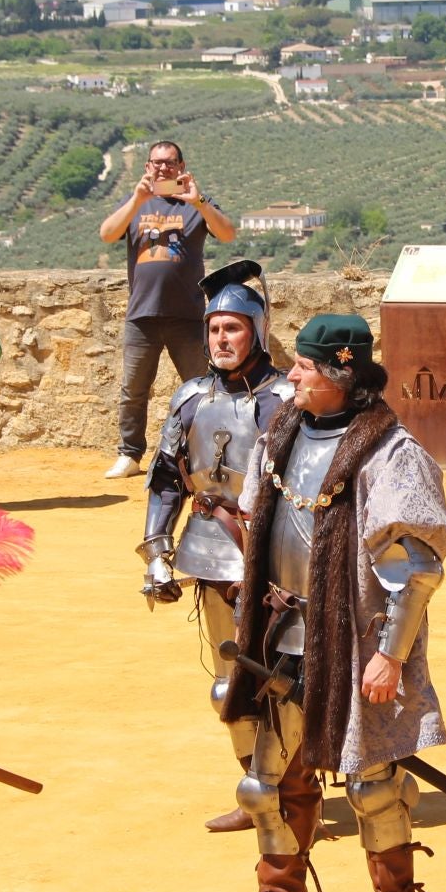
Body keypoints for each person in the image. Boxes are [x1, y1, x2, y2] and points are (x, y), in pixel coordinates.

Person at [196, 315, 446, 892]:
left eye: (305, 366)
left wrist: (389, 655)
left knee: (373, 786)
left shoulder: (389, 452)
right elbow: (257, 519)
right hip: (281, 634)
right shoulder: (282, 433)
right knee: (267, 783)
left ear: (340, 373)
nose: (290, 375)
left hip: (356, 643)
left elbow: (417, 570)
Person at [136, 261, 290, 833]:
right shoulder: (190, 398)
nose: (222, 339)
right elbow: (166, 479)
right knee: (229, 682)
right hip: (209, 546)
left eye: (234, 328)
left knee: (284, 680)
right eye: (214, 329)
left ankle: (292, 792)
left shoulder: (286, 397)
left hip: (276, 555)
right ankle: (257, 792)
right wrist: (157, 554)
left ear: (257, 331)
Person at [97, 139, 236, 480]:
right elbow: (107, 234)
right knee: (133, 390)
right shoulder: (135, 203)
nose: (162, 168)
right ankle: (129, 454)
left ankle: (205, 451)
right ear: (147, 166)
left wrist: (198, 201)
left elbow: (227, 233)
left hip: (187, 315)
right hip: (141, 315)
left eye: (169, 162)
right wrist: (137, 199)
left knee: (201, 388)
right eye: (156, 162)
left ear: (181, 166)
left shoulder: (196, 203)